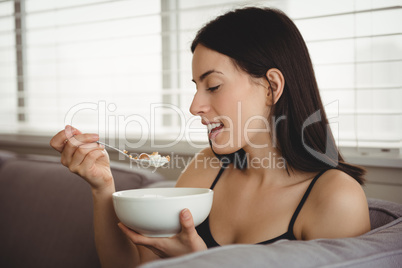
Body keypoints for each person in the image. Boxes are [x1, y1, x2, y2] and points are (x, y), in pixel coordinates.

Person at [50, 7, 371, 267]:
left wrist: (199, 262)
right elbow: (135, 265)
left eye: (213, 86)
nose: (194, 107)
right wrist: (102, 187)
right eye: (196, 87)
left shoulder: (334, 199)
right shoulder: (207, 168)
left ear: (272, 87)